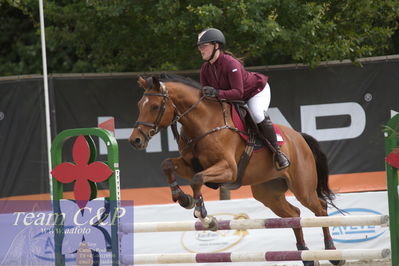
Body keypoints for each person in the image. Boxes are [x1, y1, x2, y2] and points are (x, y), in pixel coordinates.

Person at [197, 28, 290, 170]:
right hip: (232, 98)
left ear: (216, 46)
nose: (201, 50)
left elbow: (238, 93)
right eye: (199, 47)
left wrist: (215, 92)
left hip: (255, 92)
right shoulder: (205, 69)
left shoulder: (231, 64)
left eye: (204, 46)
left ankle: (277, 153)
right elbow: (207, 95)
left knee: (257, 114)